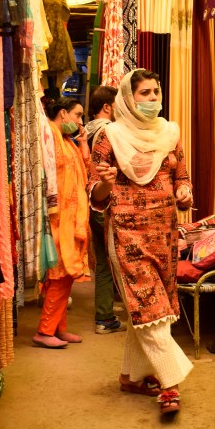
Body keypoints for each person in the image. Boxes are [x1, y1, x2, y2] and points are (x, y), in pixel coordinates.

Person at [88, 69, 194, 417]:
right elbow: (97, 194)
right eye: (144, 93)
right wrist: (105, 183)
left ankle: (132, 376)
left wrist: (183, 193)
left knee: (148, 307)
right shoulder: (109, 136)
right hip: (126, 234)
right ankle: (170, 382)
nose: (152, 99)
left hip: (164, 234)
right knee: (151, 307)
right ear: (128, 98)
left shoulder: (170, 133)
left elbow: (182, 176)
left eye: (155, 92)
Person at [32, 97, 90, 349]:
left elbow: (84, 169)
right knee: (58, 275)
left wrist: (84, 142)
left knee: (65, 276)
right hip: (57, 219)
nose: (80, 122)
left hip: (69, 218)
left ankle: (58, 328)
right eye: (78, 116)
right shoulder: (49, 134)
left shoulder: (68, 141)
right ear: (63, 113)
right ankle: (45, 330)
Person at [85, 85, 124, 334]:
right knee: (115, 259)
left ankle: (104, 317)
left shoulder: (86, 131)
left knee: (102, 260)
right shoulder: (108, 132)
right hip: (107, 200)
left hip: (92, 198)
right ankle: (109, 315)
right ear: (108, 107)